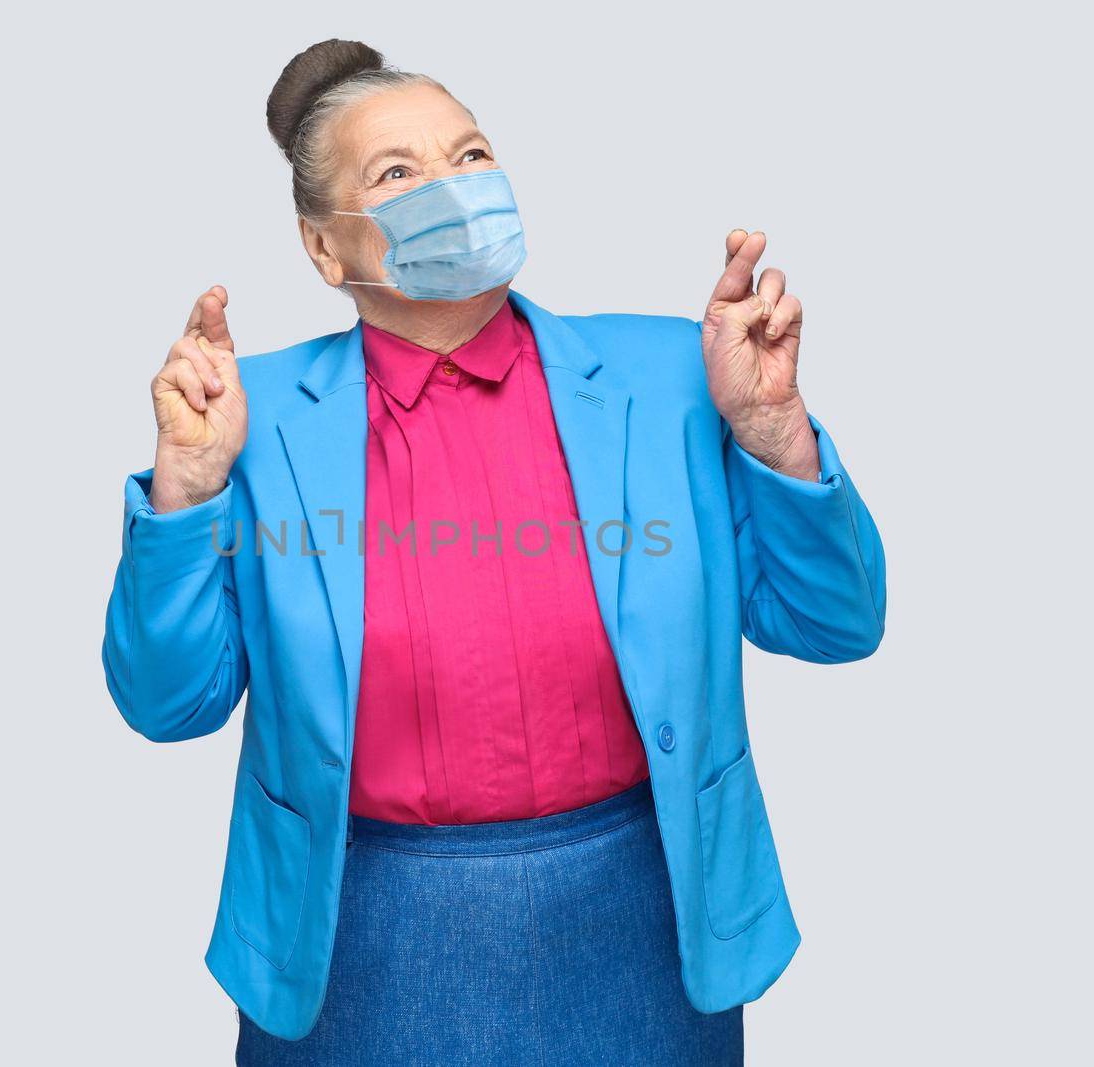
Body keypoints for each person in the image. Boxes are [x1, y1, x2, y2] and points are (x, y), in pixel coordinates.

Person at [102, 38, 886, 1066]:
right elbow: (170, 704)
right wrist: (185, 491)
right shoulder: (248, 419)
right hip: (356, 933)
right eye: (397, 174)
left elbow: (834, 624)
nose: (454, 188)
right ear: (324, 250)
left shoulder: (676, 376)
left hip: (643, 917)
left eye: (470, 154)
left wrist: (776, 431)